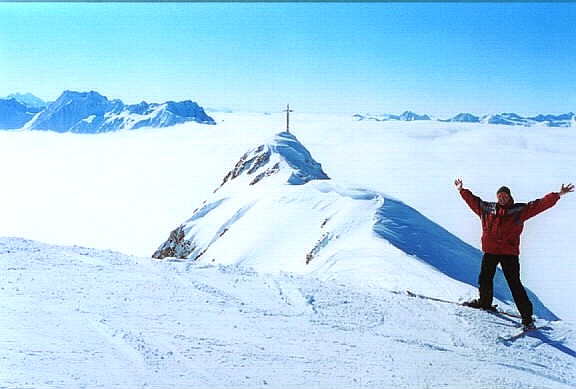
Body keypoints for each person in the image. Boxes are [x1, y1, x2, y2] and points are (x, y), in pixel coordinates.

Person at [454, 178, 574, 330]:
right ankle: (485, 302)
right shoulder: (487, 209)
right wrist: (461, 190)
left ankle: (527, 317)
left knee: (514, 284)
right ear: (497, 197)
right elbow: (473, 201)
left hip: (508, 254)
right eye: (500, 195)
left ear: (510, 197)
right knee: (484, 278)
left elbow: (539, 205)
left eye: (505, 195)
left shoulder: (519, 211)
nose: (502, 198)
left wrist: (557, 195)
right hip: (490, 252)